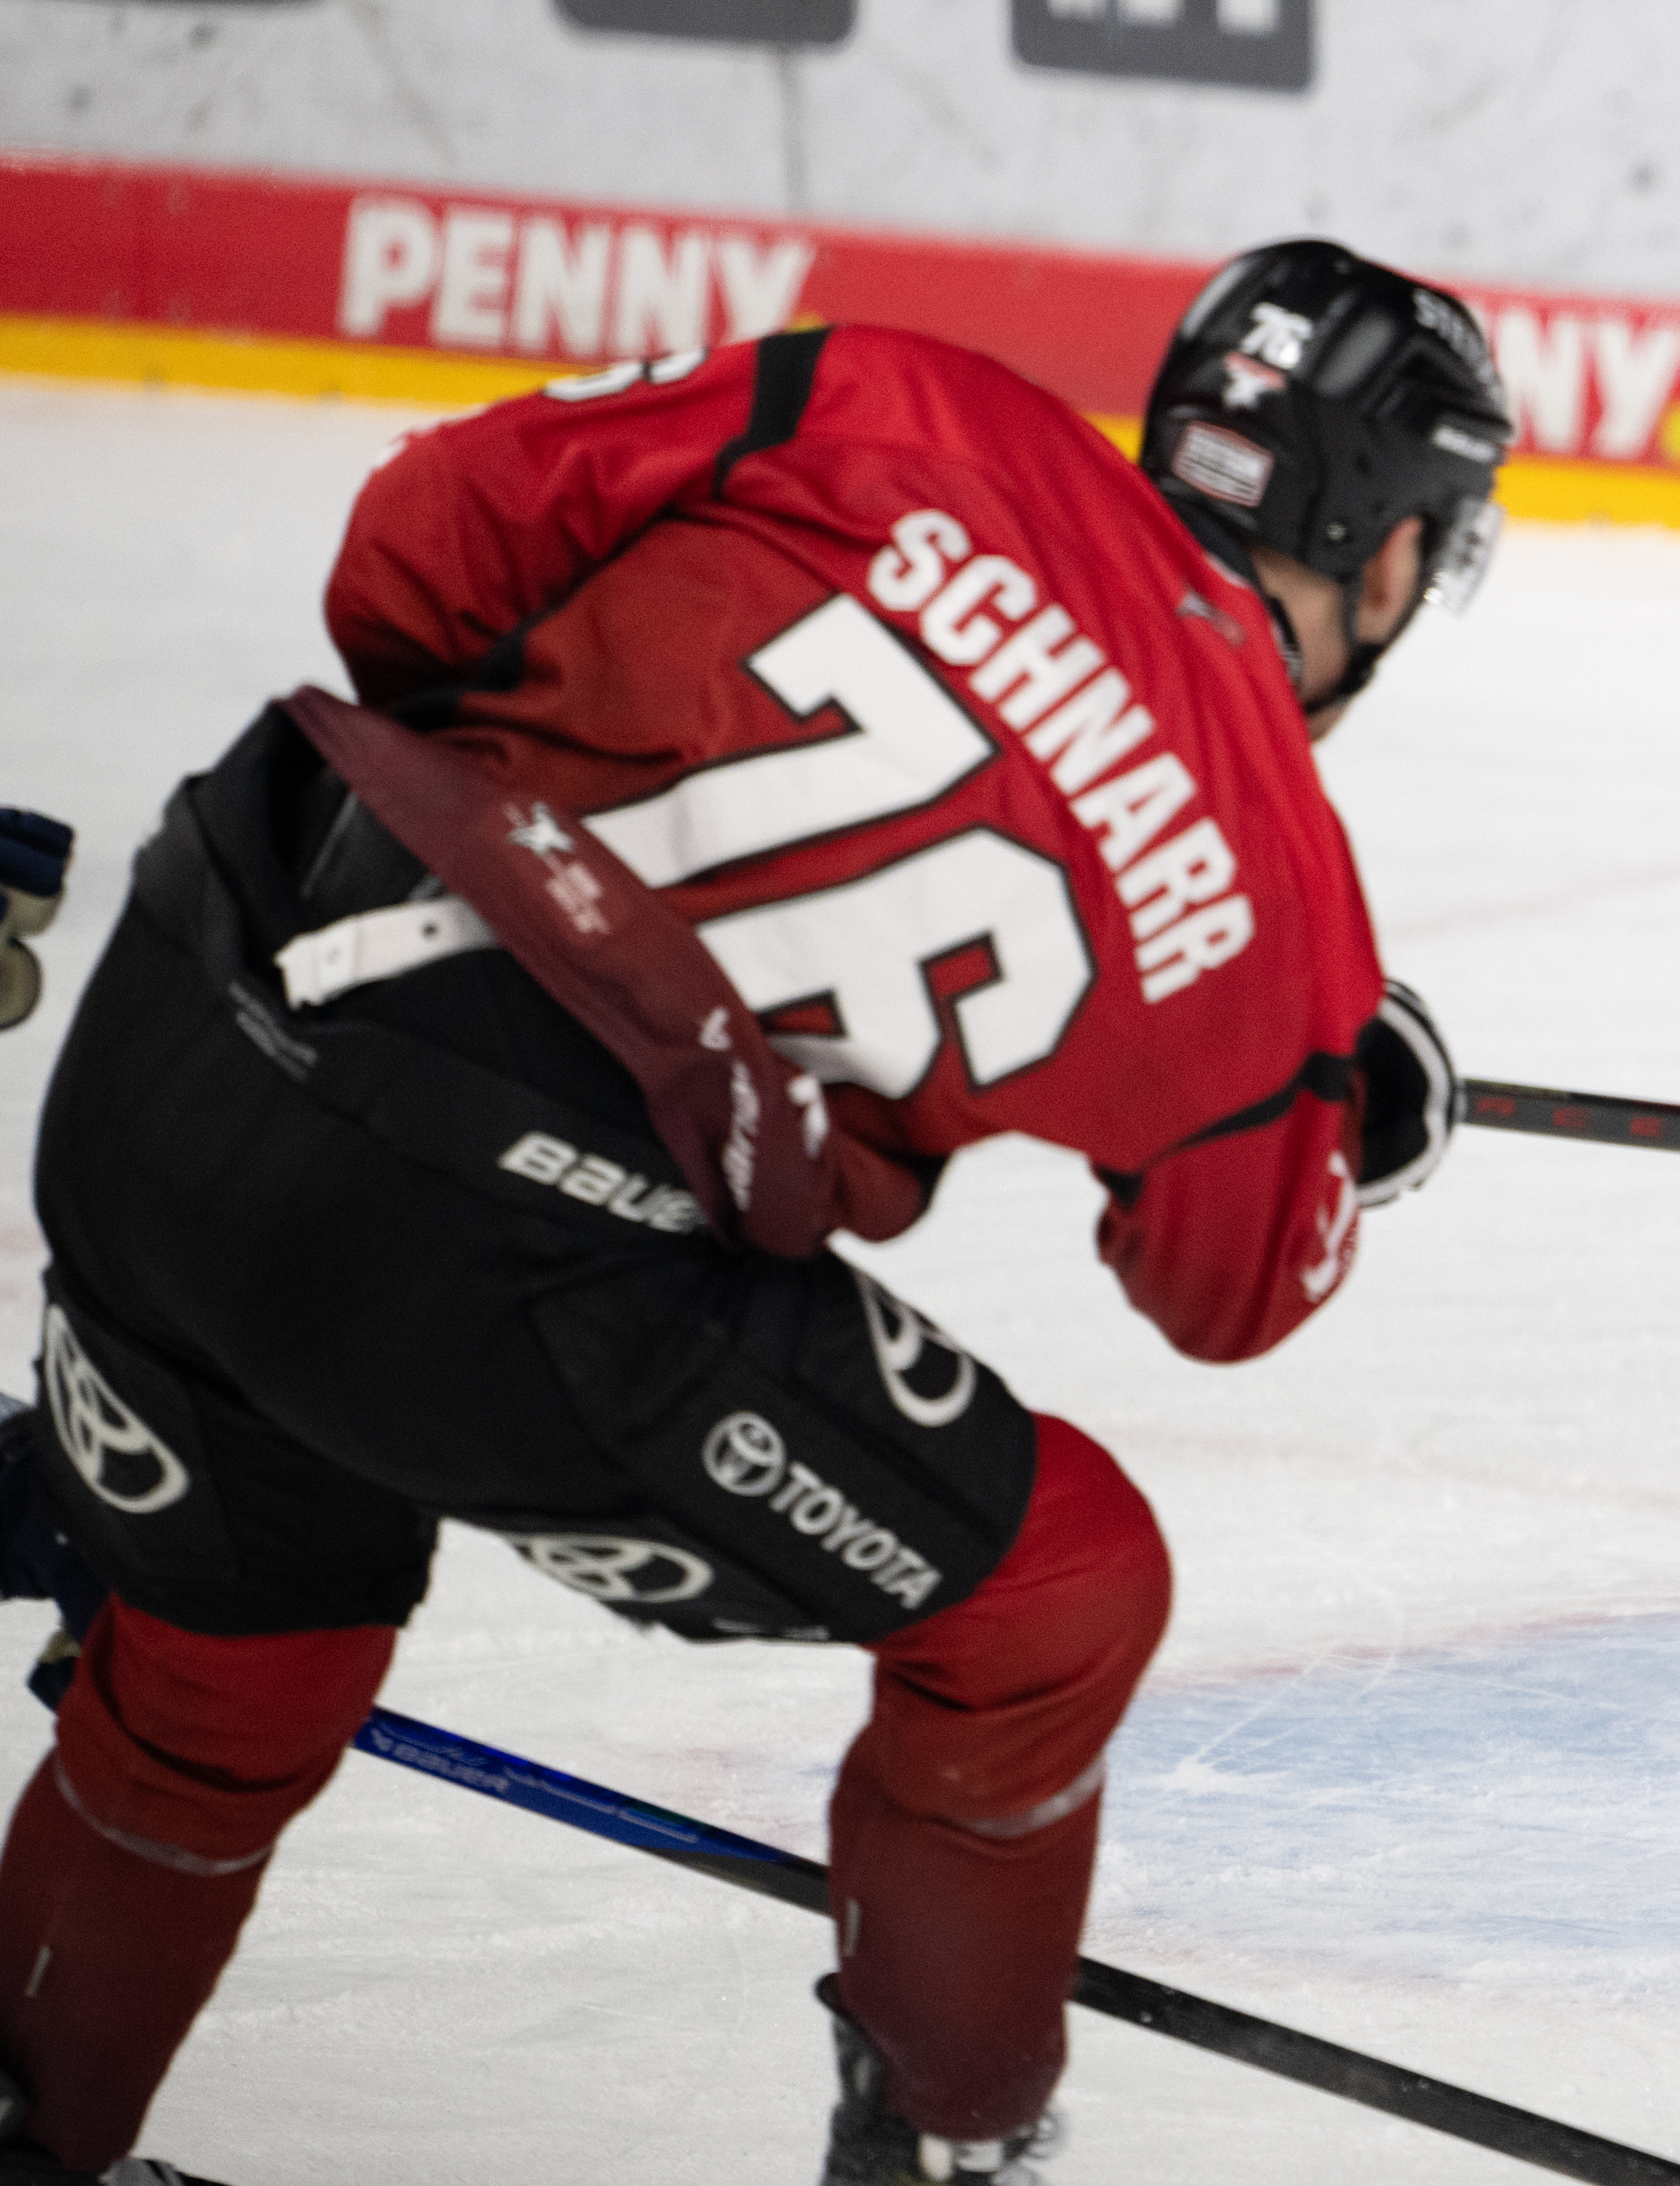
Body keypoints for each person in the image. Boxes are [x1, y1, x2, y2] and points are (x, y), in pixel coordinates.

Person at [0, 242, 1511, 2183]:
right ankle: (950, 2143)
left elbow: (409, 551)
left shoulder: (902, 396)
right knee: (1060, 1597)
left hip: (188, 1000)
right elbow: (1229, 1282)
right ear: (1388, 558)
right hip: (486, 1260)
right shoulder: (1275, 892)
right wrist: (1329, 1101)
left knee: (231, 1666)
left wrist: (570, 826)